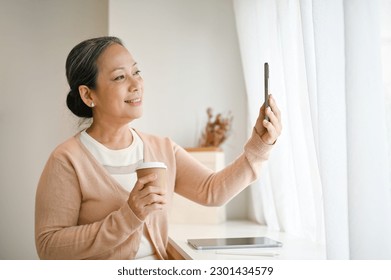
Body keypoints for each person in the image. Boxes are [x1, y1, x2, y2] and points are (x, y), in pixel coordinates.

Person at [35, 36, 282, 260]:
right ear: (89, 95)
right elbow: (49, 247)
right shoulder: (67, 160)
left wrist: (259, 145)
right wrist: (128, 215)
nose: (136, 84)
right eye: (120, 77)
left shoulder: (161, 149)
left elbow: (213, 191)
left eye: (137, 72)